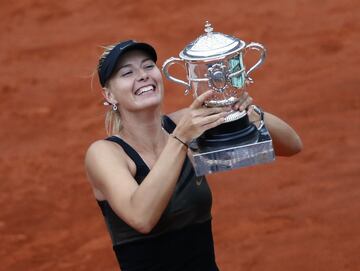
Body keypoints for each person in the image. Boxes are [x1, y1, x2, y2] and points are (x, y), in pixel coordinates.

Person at [84, 40, 303, 271]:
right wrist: (180, 139)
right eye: (127, 73)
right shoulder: (105, 154)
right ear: (109, 95)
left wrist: (248, 112)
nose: (142, 75)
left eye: (148, 66)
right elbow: (142, 217)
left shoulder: (186, 123)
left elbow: (291, 145)